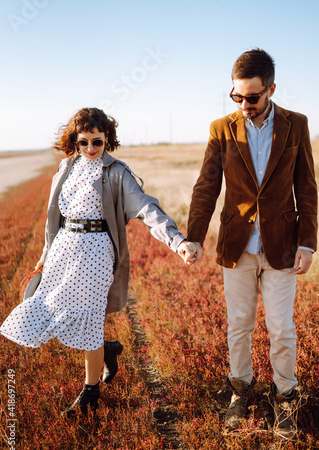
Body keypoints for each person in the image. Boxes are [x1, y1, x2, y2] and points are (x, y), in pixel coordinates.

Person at [0, 107, 196, 417]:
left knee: (89, 319)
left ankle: (90, 393)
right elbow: (54, 221)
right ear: (74, 142)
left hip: (96, 253)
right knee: (50, 311)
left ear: (108, 140)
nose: (91, 149)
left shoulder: (116, 172)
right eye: (84, 142)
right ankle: (107, 349)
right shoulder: (65, 168)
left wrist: (177, 241)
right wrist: (43, 257)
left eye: (97, 142)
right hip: (63, 250)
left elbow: (146, 208)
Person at [186, 49, 318, 438]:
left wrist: (307, 243)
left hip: (282, 247)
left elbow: (306, 187)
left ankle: (285, 397)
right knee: (239, 325)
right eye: (236, 97)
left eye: (252, 97)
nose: (244, 105)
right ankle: (240, 389)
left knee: (282, 328)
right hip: (237, 246)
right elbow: (207, 186)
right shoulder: (221, 128)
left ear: (272, 89)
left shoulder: (297, 125)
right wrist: (194, 236)